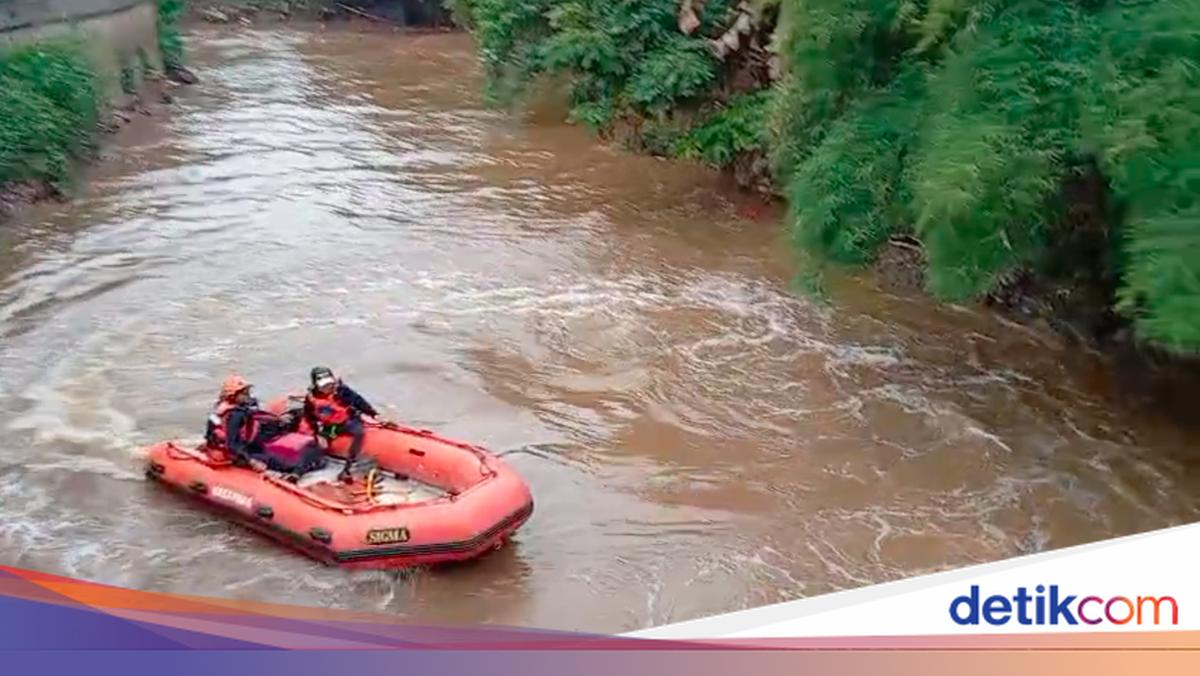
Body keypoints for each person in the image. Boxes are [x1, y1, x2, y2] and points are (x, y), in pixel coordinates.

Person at [206, 375, 324, 479]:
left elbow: (258, 415)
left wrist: (279, 419)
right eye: (244, 393)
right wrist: (252, 461)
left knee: (309, 452)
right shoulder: (234, 416)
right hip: (246, 452)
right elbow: (232, 445)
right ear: (233, 395)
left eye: (247, 392)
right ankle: (295, 473)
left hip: (255, 444)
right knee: (301, 462)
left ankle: (297, 470)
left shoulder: (242, 408)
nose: (248, 395)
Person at [303, 366, 378, 482]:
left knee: (359, 433)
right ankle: (298, 471)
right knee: (316, 445)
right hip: (330, 426)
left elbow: (358, 401)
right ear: (317, 385)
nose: (328, 387)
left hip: (348, 421)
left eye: (330, 384)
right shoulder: (311, 398)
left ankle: (348, 469)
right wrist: (317, 433)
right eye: (324, 386)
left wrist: (372, 413)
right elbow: (309, 416)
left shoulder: (342, 391)